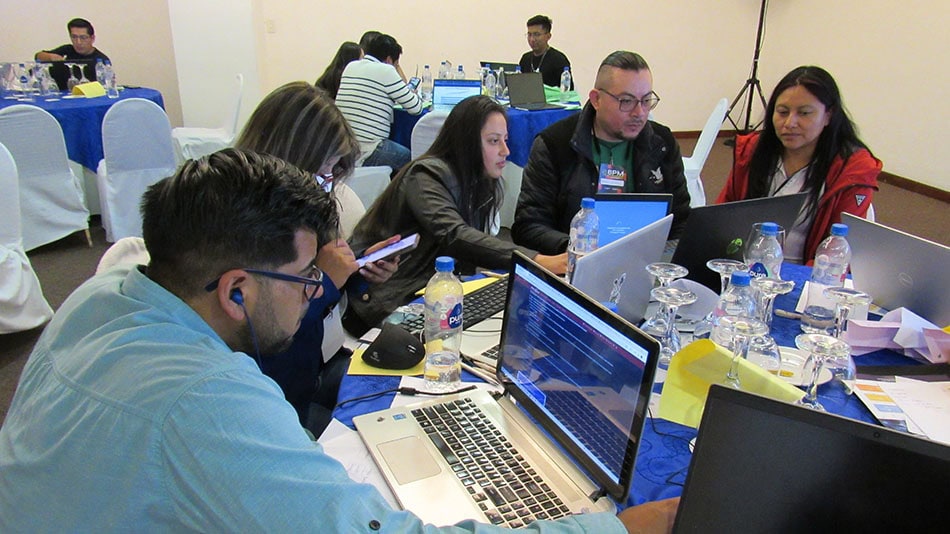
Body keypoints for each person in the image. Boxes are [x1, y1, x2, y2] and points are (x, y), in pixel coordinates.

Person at [0, 147, 679, 531]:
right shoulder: (201, 402)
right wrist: (613, 528)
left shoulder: (101, 296)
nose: (314, 290)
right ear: (236, 289)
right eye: (304, 278)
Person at [234, 81, 400, 435]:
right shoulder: (247, 227)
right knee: (377, 437)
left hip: (314, 368)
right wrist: (325, 282)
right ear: (290, 157)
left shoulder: (304, 209)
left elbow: (320, 290)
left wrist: (355, 271)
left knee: (403, 396)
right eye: (323, 170)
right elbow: (270, 336)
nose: (327, 183)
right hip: (276, 400)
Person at [344, 95, 568, 334]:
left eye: (505, 140)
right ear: (467, 144)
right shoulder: (425, 176)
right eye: (494, 141)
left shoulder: (476, 181)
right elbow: (454, 235)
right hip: (385, 302)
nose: (506, 151)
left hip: (431, 293)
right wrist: (535, 261)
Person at [512, 51, 691, 255]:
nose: (639, 113)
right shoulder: (555, 145)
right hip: (577, 266)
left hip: (647, 263)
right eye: (626, 101)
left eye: (646, 100)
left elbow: (681, 220)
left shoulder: (661, 143)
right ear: (596, 99)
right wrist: (578, 249)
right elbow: (528, 226)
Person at [716, 65, 882, 264]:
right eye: (782, 112)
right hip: (745, 268)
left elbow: (838, 253)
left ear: (829, 115)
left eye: (804, 113)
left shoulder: (851, 170)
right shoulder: (752, 151)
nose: (789, 123)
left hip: (807, 277)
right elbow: (721, 217)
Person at [336, 33, 422, 174]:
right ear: (389, 59)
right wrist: (395, 69)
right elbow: (416, 108)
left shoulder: (351, 66)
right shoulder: (386, 71)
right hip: (368, 149)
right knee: (411, 159)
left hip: (344, 146)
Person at [517, 14, 571, 88]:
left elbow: (568, 92)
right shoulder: (525, 59)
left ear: (548, 36)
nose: (532, 39)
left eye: (536, 34)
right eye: (529, 35)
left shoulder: (559, 60)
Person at [35, 17, 109, 62]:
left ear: (92, 38)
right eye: (74, 37)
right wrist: (51, 57)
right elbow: (38, 56)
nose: (78, 42)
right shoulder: (68, 49)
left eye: (83, 37)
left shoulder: (101, 60)